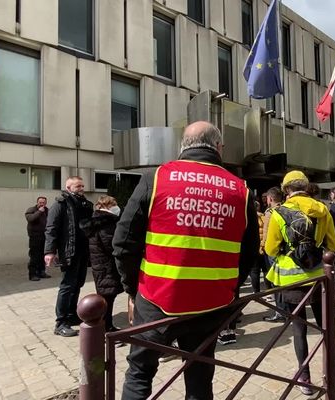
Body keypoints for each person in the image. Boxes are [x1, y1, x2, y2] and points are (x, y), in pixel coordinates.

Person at [113, 121, 259, 400]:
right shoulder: (241, 190)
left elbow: (123, 243)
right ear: (219, 148)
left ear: (183, 146)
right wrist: (228, 288)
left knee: (140, 372)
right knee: (200, 376)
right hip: (212, 304)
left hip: (157, 298)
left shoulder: (156, 178)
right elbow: (250, 252)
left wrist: (133, 290)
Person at [265, 170, 335, 395]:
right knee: (326, 327)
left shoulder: (279, 212)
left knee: (299, 328)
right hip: (319, 276)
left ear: (286, 190)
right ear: (306, 187)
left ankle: (305, 378)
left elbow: (271, 248)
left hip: (291, 280)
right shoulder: (323, 210)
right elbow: (334, 244)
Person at [44, 176, 94, 337]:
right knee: (67, 286)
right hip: (69, 251)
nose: (81, 188)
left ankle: (72, 316)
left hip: (82, 251)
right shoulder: (61, 204)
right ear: (68, 187)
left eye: (82, 186)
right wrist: (49, 252)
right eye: (78, 186)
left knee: (77, 284)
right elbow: (51, 228)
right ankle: (60, 323)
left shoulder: (84, 203)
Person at [80, 195, 123, 332]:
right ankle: (105, 328)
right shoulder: (106, 223)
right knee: (107, 298)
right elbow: (111, 246)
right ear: (107, 207)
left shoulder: (96, 221)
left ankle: (106, 326)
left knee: (105, 296)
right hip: (107, 266)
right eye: (113, 205)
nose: (116, 207)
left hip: (100, 265)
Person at [261, 186, 286, 323]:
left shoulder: (269, 212)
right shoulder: (286, 208)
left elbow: (266, 233)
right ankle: (288, 309)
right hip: (285, 250)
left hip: (273, 251)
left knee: (275, 282)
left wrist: (262, 246)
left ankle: (279, 312)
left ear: (270, 198)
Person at [25, 196, 50, 281]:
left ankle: (41, 272)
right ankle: (32, 274)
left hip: (45, 237)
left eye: (43, 203)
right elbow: (30, 219)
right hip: (34, 237)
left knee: (43, 256)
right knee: (34, 256)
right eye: (40, 202)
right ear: (37, 202)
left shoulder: (47, 211)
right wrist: (39, 212)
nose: (42, 204)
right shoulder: (31, 210)